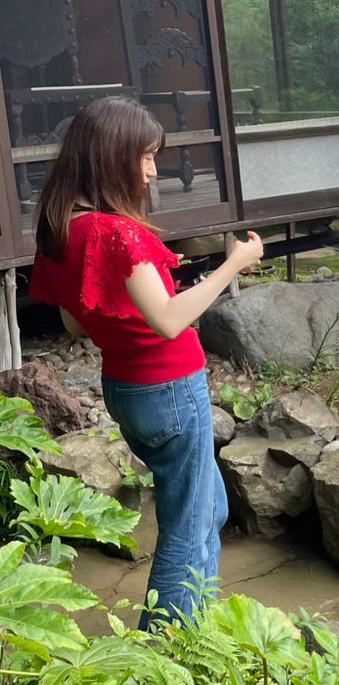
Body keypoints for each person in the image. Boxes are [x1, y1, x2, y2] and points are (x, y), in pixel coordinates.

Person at [30, 97, 264, 629]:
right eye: (146, 157)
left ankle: (196, 619)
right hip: (171, 388)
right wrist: (235, 262)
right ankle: (170, 647)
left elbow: (73, 323)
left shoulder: (63, 227)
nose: (153, 170)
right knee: (186, 523)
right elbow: (167, 320)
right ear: (112, 156)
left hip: (126, 388)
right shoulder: (117, 233)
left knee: (210, 509)